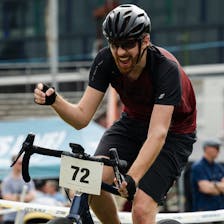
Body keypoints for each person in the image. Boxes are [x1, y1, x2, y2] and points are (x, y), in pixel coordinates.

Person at [34, 4, 197, 224]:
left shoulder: (166, 69)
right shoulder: (105, 60)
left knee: (140, 210)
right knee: (92, 182)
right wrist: (55, 101)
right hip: (132, 122)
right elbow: (81, 117)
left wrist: (132, 179)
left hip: (173, 133)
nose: (120, 52)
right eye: (115, 44)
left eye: (128, 44)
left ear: (145, 41)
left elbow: (157, 133)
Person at [191, 139, 224, 213]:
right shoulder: (198, 166)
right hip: (204, 212)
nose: (218, 150)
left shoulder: (219, 167)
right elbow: (206, 189)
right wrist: (219, 186)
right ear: (207, 149)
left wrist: (214, 185)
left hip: (219, 210)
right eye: (216, 147)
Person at [1, 155, 36, 224]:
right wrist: (23, 197)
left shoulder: (27, 179)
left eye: (23, 163)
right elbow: (6, 197)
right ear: (14, 163)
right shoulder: (7, 181)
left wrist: (16, 197)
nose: (22, 165)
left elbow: (33, 195)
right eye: (20, 163)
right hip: (10, 217)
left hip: (25, 217)